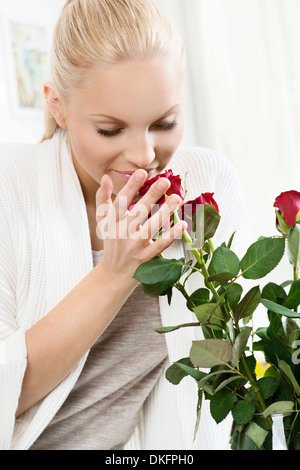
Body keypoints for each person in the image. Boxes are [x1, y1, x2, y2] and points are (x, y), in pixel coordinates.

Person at [0, 0, 244, 450]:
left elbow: (223, 357)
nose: (145, 156)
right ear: (56, 104)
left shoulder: (205, 185)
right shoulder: (9, 188)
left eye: (165, 123)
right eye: (110, 131)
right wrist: (114, 274)